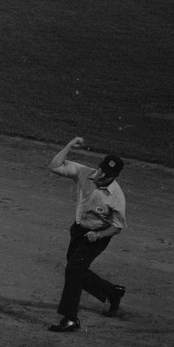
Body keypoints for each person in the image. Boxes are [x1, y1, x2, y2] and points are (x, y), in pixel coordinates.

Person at [47, 136, 127, 332]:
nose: (101, 175)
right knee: (76, 268)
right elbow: (54, 166)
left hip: (98, 235)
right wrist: (68, 146)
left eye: (107, 174)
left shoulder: (116, 197)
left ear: (114, 176)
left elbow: (117, 227)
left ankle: (70, 318)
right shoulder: (85, 173)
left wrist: (98, 236)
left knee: (74, 269)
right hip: (78, 230)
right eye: (101, 169)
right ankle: (112, 292)